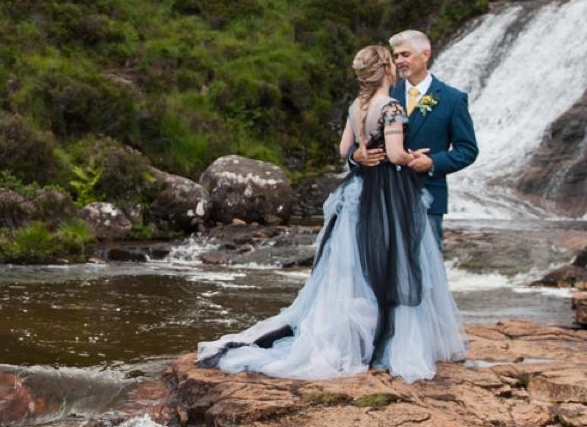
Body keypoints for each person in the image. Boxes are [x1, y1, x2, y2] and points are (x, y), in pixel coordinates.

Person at [197, 45, 467, 382]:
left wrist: (360, 156)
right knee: (393, 262)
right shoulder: (392, 107)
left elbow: (344, 150)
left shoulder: (358, 106)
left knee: (352, 266)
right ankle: (389, 341)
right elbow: (396, 156)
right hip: (388, 194)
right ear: (386, 71)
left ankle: (355, 337)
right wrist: (414, 156)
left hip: (358, 191)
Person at [351, 29, 477, 248]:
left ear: (425, 55)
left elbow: (467, 149)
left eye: (405, 55)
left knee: (427, 272)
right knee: (383, 272)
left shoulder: (452, 99)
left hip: (427, 195)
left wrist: (433, 162)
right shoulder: (383, 95)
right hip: (381, 196)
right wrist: (356, 156)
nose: (399, 61)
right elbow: (356, 143)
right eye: (396, 56)